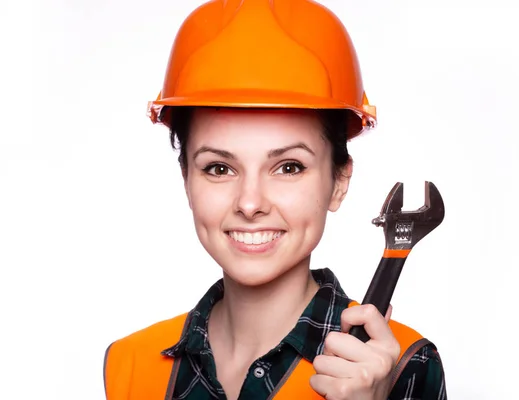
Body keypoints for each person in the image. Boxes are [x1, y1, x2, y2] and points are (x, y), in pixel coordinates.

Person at [103, 1, 447, 399]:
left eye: (288, 167)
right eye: (219, 168)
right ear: (186, 180)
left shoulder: (402, 365)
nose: (250, 204)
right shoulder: (130, 365)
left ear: (338, 181)